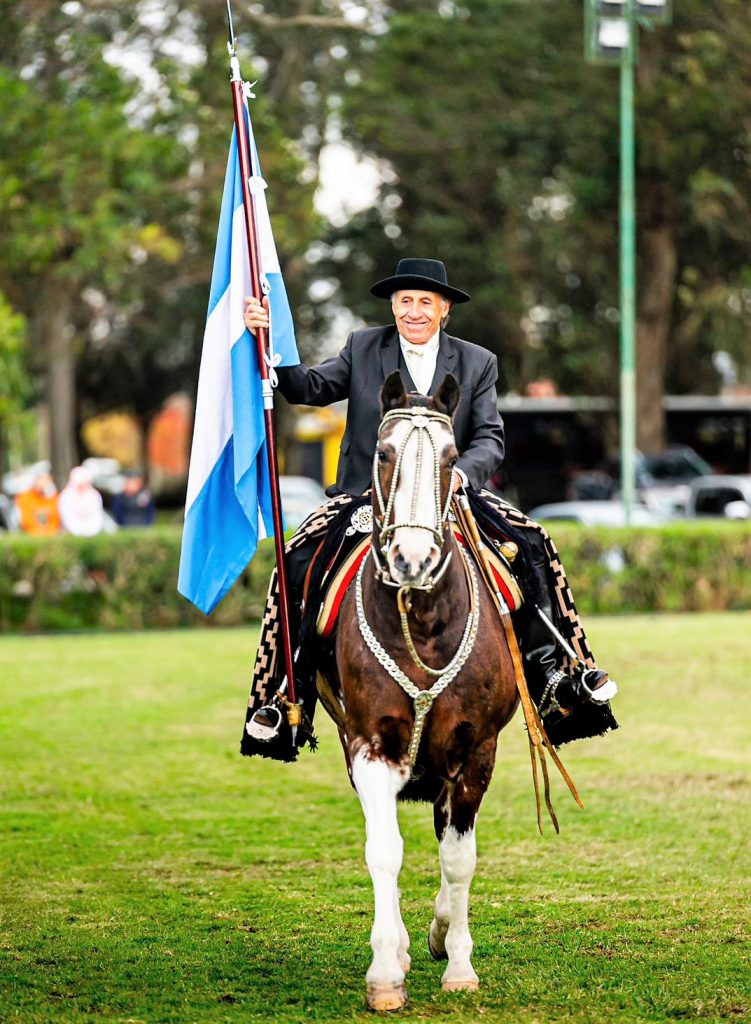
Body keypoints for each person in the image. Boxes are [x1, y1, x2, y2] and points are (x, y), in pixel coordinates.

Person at [242, 258, 617, 752]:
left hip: (451, 495)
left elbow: (489, 438)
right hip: (366, 498)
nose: (413, 311)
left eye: (424, 302)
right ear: (393, 307)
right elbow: (309, 388)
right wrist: (268, 342)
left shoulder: (477, 361)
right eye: (404, 302)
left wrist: (460, 476)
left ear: (444, 310)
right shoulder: (361, 347)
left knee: (532, 542)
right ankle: (284, 697)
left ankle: (557, 677)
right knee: (295, 559)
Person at [58, 466, 106, 537]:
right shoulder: (66, 496)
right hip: (70, 536)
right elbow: (67, 517)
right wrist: (79, 532)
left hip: (91, 536)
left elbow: (97, 517)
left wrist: (89, 532)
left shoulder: (94, 495)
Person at [15, 470, 61, 536]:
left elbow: (55, 520)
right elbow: (26, 521)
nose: (43, 482)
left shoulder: (54, 497)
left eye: (46, 479)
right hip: (32, 535)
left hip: (51, 534)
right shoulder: (25, 497)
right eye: (39, 478)